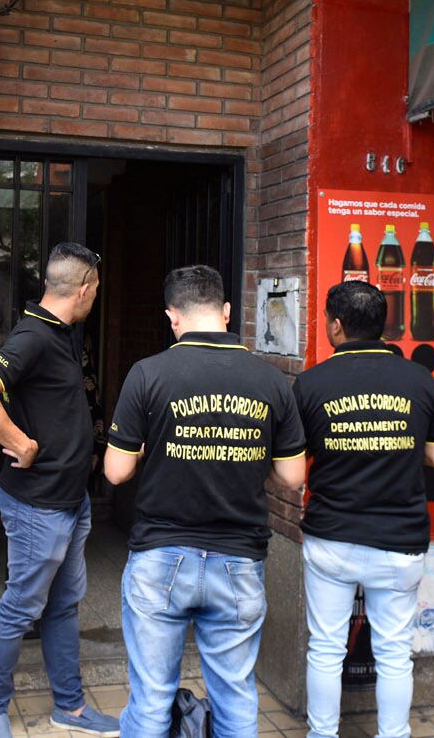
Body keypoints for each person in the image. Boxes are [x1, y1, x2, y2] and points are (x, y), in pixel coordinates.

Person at [103, 265, 308, 737]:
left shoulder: (148, 374)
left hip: (160, 556)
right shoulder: (272, 381)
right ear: (227, 312)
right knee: (235, 699)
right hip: (239, 560)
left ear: (172, 317)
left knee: (152, 700)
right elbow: (294, 476)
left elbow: (116, 471)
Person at [0, 242, 118, 737]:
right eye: (97, 287)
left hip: (69, 500)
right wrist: (20, 443)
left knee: (64, 603)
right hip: (37, 503)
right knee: (22, 605)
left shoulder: (61, 331)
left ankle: (67, 708)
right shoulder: (33, 336)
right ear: (86, 289)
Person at [291, 281, 434, 738]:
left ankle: (323, 734)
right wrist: (397, 447)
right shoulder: (419, 379)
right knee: (395, 652)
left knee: (324, 648)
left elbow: (296, 467)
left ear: (335, 326)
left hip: (332, 536)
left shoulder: (311, 382)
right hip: (400, 540)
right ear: (384, 326)